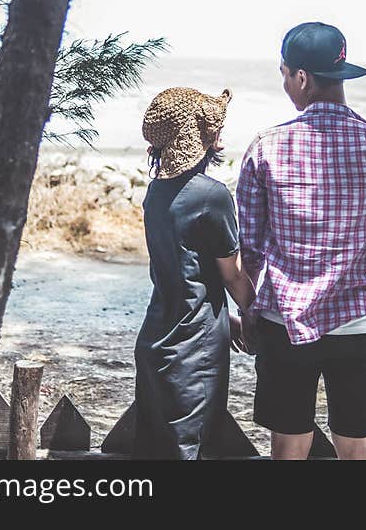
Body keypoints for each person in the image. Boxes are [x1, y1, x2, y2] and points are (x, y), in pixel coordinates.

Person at [236, 22, 366, 460]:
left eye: (284, 74)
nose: (285, 84)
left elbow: (252, 248)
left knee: (289, 444)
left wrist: (248, 311)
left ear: (301, 77)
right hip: (356, 322)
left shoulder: (265, 148)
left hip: (285, 322)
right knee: (356, 446)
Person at [133, 86, 256, 459]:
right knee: (194, 451)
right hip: (194, 348)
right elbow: (232, 276)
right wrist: (255, 316)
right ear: (203, 137)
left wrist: (220, 317)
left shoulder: (156, 192)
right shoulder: (211, 195)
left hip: (157, 337)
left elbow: (185, 270)